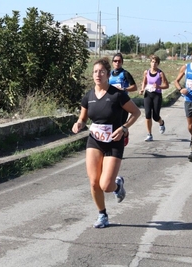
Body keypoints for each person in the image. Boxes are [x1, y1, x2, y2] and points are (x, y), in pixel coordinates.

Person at [72, 57, 141, 228]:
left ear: (108, 75)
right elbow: (83, 117)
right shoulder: (88, 96)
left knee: (105, 185)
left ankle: (117, 185)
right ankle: (102, 215)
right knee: (94, 182)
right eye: (95, 71)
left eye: (102, 72)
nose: (98, 74)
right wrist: (79, 123)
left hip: (114, 141)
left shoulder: (117, 94)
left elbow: (136, 113)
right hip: (95, 140)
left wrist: (124, 128)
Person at [139, 55, 169, 141]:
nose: (153, 64)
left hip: (157, 95)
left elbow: (166, 85)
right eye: (152, 62)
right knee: (147, 114)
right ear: (150, 63)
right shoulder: (146, 72)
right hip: (148, 94)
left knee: (155, 116)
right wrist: (142, 89)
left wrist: (159, 86)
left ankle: (161, 123)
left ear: (158, 64)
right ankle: (149, 134)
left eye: (155, 62)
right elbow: (144, 82)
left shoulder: (160, 73)